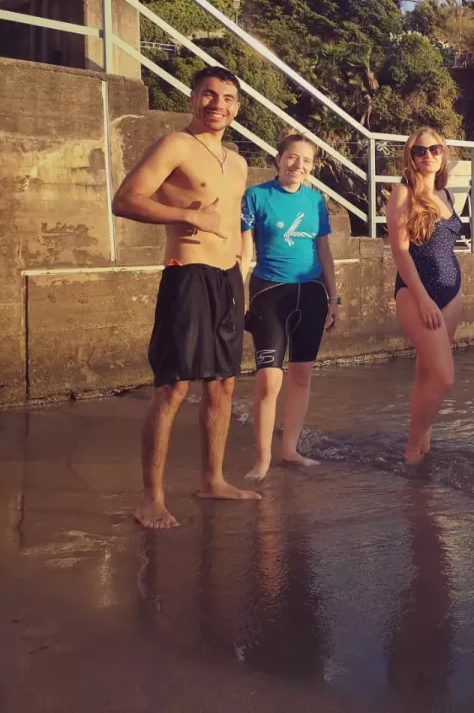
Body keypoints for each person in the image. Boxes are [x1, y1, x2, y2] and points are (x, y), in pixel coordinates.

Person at [110, 65, 260, 529]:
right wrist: (188, 217)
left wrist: (244, 264)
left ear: (237, 107)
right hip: (188, 273)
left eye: (229, 98)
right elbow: (126, 199)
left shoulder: (237, 160)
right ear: (193, 97)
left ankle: (212, 479)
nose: (218, 104)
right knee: (174, 386)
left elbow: (233, 219)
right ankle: (150, 498)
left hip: (228, 278)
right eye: (209, 94)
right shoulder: (176, 144)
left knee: (223, 384)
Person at [240, 134, 340, 481]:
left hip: (310, 293)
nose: (299, 165)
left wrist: (334, 298)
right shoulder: (256, 196)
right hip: (269, 291)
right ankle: (262, 459)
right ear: (278, 158)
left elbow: (324, 253)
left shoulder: (315, 201)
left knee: (301, 374)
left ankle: (291, 450)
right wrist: (236, 296)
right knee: (269, 380)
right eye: (292, 158)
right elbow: (246, 252)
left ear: (313, 167)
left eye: (307, 161)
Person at [386, 127, 464, 464]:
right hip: (418, 293)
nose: (427, 156)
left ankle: (423, 444)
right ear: (410, 156)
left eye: (434, 149)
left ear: (443, 154)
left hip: (452, 292)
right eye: (419, 151)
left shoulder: (446, 195)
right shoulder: (403, 194)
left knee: (427, 374)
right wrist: (423, 298)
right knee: (444, 378)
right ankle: (412, 447)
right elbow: (401, 253)